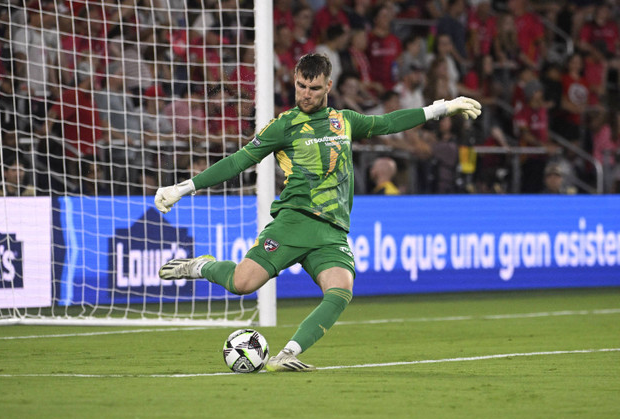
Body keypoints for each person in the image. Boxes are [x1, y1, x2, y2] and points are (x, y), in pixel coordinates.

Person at [154, 53, 481, 371]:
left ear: (328, 86)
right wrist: (184, 188)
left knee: (341, 290)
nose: (305, 94)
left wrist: (442, 107)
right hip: (294, 222)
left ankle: (286, 354)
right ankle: (203, 266)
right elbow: (238, 161)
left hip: (332, 231)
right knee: (243, 283)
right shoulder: (284, 126)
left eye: (313, 88)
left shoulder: (344, 120)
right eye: (300, 86)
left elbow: (387, 123)